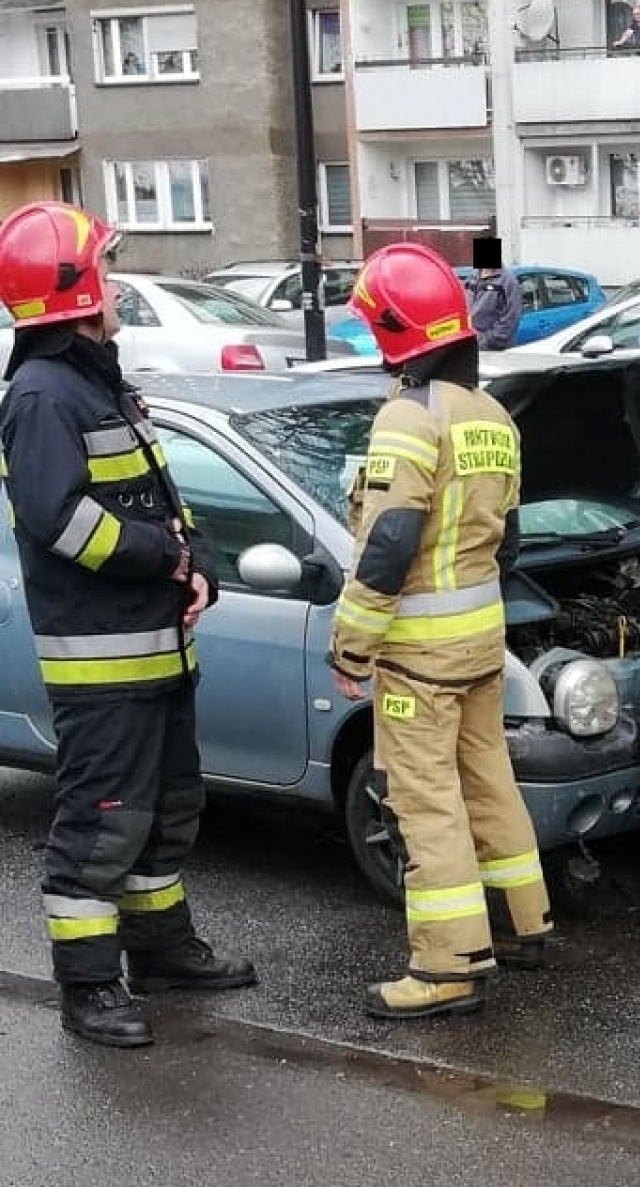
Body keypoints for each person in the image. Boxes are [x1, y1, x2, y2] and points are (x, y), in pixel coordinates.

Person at [0, 201, 256, 1049]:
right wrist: (164, 557)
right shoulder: (42, 396)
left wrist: (199, 559)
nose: (115, 287)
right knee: (102, 822)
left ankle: (160, 948)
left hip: (157, 654)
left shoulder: (96, 383)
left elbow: (161, 498)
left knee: (166, 809)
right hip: (102, 667)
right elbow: (60, 521)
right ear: (75, 292)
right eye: (105, 272)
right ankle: (88, 986)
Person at [332, 242, 554, 1020]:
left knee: (424, 800)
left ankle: (447, 965)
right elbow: (510, 542)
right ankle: (525, 921)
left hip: (419, 656)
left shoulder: (409, 415)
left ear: (393, 332)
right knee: (488, 778)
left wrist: (351, 644)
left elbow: (390, 540)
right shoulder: (493, 416)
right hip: (481, 643)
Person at [465, 236, 522, 352]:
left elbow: (511, 318)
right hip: (471, 346)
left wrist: (485, 341)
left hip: (495, 350)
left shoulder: (508, 281)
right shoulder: (472, 279)